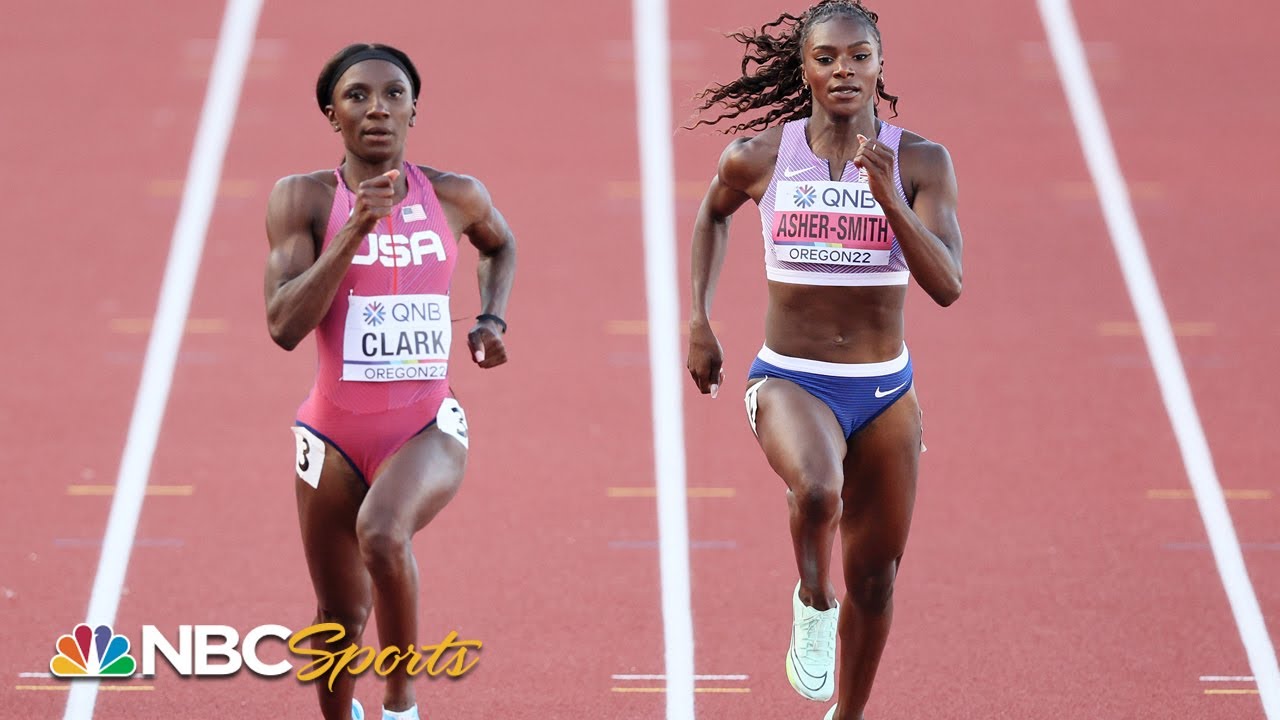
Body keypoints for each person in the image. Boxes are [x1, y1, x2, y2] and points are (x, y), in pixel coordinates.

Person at [685, 2, 963, 718]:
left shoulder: (922, 161)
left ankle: (848, 714)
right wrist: (701, 319)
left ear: (880, 65)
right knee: (815, 489)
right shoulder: (762, 155)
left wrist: (891, 200)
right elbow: (713, 213)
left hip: (884, 390)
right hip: (790, 377)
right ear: (804, 67)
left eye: (859, 56)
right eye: (828, 57)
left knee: (876, 578)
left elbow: (949, 287)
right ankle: (812, 597)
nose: (844, 70)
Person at [263, 42, 516, 720]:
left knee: (382, 532)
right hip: (331, 433)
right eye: (357, 96)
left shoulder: (457, 195)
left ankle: (401, 703)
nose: (377, 107)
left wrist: (492, 317)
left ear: (413, 110)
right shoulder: (304, 199)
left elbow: (501, 244)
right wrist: (353, 230)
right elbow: (284, 325)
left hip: (426, 423)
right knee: (338, 614)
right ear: (331, 114)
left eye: (393, 94)